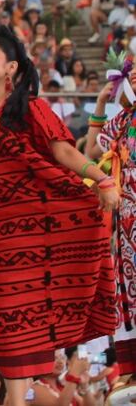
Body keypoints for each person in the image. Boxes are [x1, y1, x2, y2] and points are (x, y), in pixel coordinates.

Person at [0, 25, 117, 405]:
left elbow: (64, 152)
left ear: (12, 67)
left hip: (25, 244)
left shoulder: (31, 108)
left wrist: (102, 180)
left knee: (17, 344)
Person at [83, 59, 136, 376]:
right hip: (127, 221)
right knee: (130, 288)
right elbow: (91, 151)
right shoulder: (123, 120)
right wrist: (101, 103)